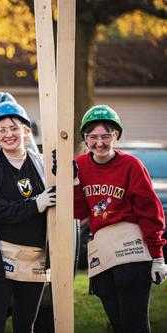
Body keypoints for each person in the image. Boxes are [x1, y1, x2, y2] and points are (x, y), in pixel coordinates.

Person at [59, 105, 167, 332]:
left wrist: (157, 256)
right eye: (93, 137)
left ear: (115, 136)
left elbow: (150, 212)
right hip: (102, 251)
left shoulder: (131, 165)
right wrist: (73, 183)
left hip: (132, 250)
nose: (99, 142)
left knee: (134, 325)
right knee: (118, 323)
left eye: (106, 136)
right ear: (85, 138)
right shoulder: (79, 166)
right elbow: (79, 213)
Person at [0, 101, 55, 333]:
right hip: (0, 258)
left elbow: (64, 200)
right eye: (1, 130)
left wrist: (71, 176)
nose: (8, 134)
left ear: (26, 131)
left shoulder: (43, 165)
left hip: (35, 258)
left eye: (14, 128)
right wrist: (36, 204)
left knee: (25, 325)